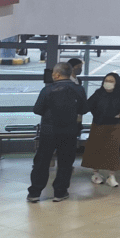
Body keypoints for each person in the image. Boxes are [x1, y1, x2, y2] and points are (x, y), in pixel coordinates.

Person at [27, 62, 90, 202]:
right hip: (69, 131)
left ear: (56, 74)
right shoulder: (78, 89)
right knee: (65, 162)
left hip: (49, 131)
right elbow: (84, 109)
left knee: (42, 161)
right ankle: (60, 192)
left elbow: (37, 109)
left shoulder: (47, 90)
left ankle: (35, 193)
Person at [82, 73, 120, 187]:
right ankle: (96, 174)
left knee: (112, 150)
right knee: (95, 149)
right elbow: (88, 105)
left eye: (111, 81)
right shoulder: (98, 93)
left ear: (116, 82)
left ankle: (111, 176)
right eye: (106, 80)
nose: (108, 83)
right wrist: (97, 114)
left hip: (114, 125)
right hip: (99, 124)